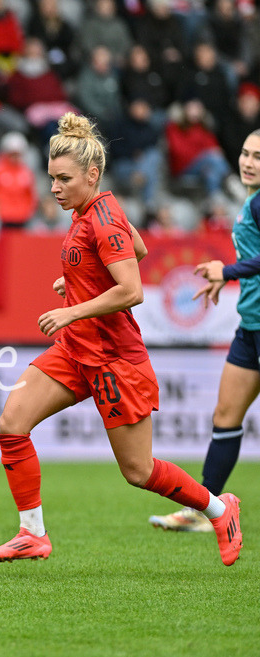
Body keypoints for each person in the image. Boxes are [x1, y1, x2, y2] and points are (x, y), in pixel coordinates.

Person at [0, 112, 242, 566]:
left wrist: (72, 308)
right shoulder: (97, 209)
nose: (55, 188)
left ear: (92, 174)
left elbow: (133, 290)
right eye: (52, 179)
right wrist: (80, 279)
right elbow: (136, 251)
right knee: (11, 424)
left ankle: (221, 510)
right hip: (76, 351)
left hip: (114, 359)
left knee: (139, 472)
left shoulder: (101, 219)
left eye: (64, 179)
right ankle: (32, 534)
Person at [149, 130, 260, 533]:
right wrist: (226, 277)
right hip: (251, 327)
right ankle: (204, 509)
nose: (249, 161)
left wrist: (226, 272)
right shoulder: (251, 200)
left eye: (258, 157)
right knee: (226, 416)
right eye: (246, 153)